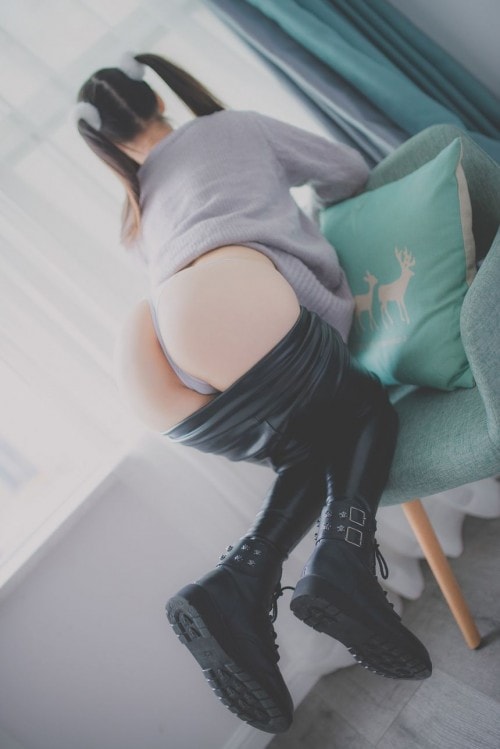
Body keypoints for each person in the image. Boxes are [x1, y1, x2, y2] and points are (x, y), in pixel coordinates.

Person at [74, 52, 432, 734]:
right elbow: (347, 170)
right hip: (227, 299)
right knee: (365, 407)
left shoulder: (134, 213)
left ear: (108, 142)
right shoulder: (231, 128)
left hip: (152, 359)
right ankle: (344, 563)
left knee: (310, 449)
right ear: (158, 99)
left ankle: (237, 586)